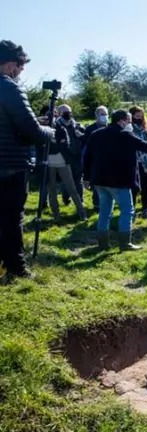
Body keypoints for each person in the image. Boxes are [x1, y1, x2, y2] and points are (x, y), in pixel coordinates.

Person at [83, 109, 147, 251]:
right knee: (127, 210)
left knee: (105, 211)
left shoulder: (95, 134)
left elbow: (87, 157)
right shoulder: (126, 135)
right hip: (119, 181)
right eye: (129, 121)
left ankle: (103, 243)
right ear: (121, 121)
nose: (130, 124)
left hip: (99, 180)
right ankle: (125, 243)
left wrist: (87, 178)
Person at [0, 40, 54, 280]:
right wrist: (50, 132)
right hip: (9, 164)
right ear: (11, 65)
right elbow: (32, 132)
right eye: (21, 66)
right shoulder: (9, 88)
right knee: (12, 219)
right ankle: (16, 267)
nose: (22, 71)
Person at [40, 106, 87, 221]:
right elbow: (41, 145)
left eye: (55, 114)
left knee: (71, 187)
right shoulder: (42, 129)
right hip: (49, 163)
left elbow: (64, 144)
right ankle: (56, 215)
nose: (53, 116)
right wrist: (55, 143)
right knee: (52, 190)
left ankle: (81, 212)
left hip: (62, 162)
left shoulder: (61, 128)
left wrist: (52, 143)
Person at [127, 107, 147, 219]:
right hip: (135, 162)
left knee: (146, 187)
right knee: (134, 188)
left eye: (141, 116)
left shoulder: (145, 129)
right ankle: (132, 211)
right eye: (137, 116)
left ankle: (146, 209)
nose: (139, 118)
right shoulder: (129, 130)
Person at [57, 104, 86, 206]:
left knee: (78, 180)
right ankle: (66, 199)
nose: (68, 114)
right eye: (65, 112)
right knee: (66, 181)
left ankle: (80, 201)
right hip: (63, 157)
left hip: (77, 156)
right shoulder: (57, 126)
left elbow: (85, 139)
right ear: (59, 113)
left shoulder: (77, 125)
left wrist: (81, 135)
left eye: (69, 112)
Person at [82, 105, 109, 211]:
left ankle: (107, 204)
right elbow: (86, 147)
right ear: (96, 116)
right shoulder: (90, 129)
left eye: (105, 114)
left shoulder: (110, 127)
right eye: (102, 114)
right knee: (97, 184)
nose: (104, 116)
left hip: (109, 161)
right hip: (95, 161)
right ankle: (97, 205)